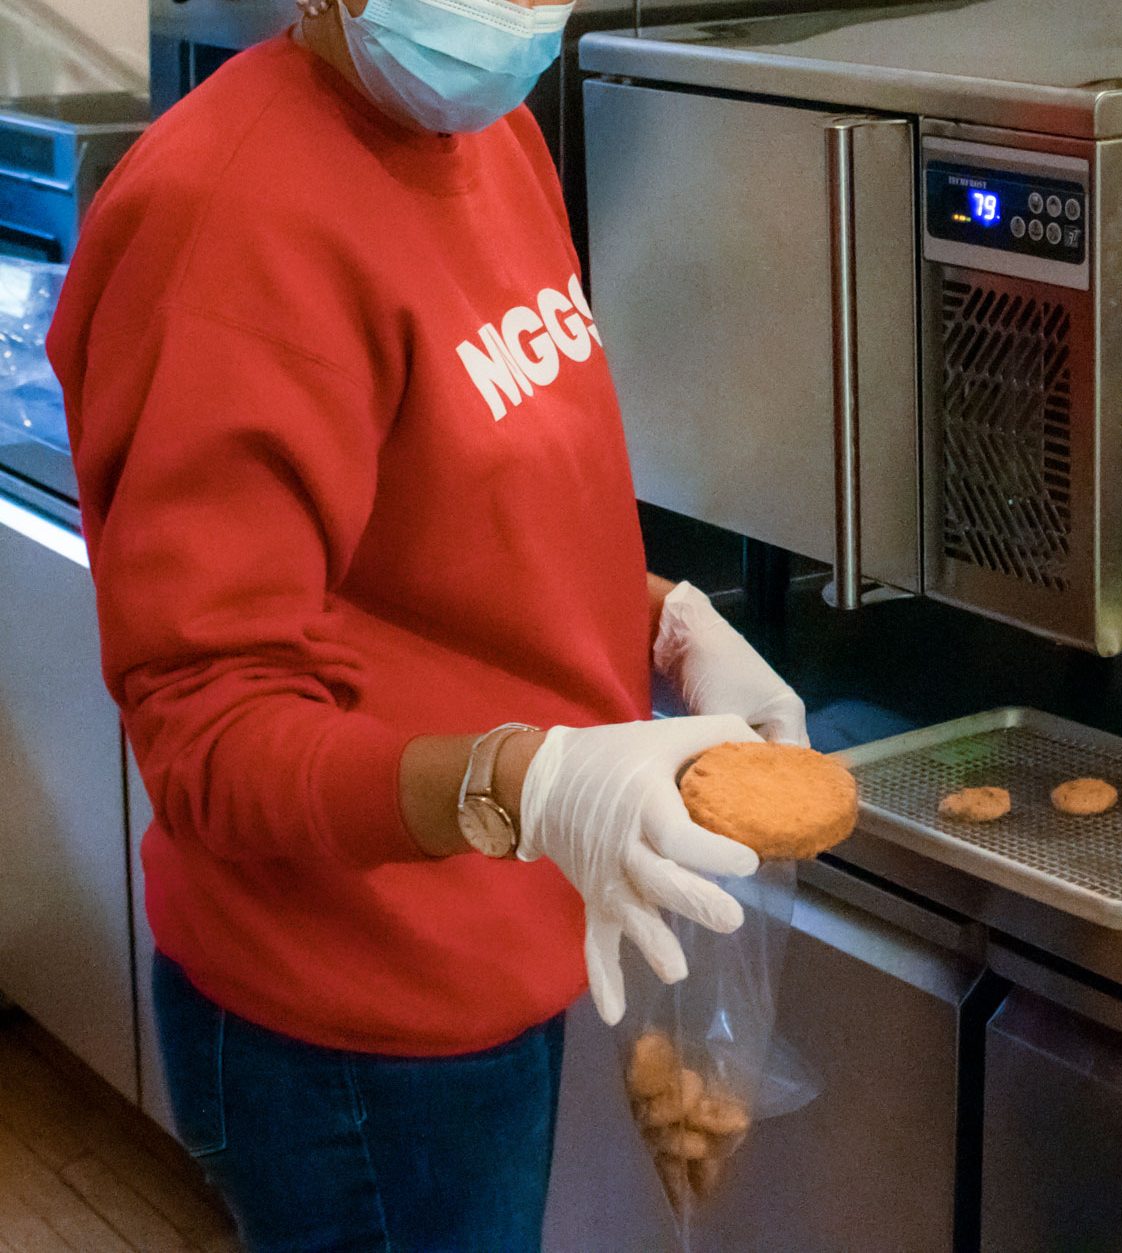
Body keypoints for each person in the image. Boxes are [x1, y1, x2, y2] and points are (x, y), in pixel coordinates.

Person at [46, 0, 808, 1248]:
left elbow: (462, 524)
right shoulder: (221, 221)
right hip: (346, 1022)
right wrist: (523, 783)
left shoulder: (494, 138)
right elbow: (210, 736)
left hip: (501, 948)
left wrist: (668, 620)